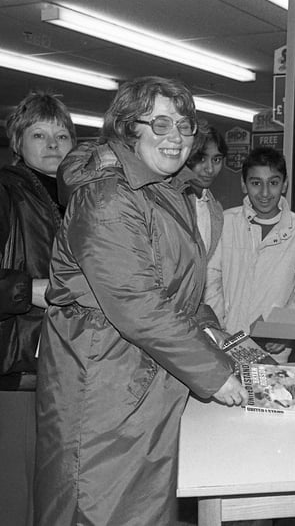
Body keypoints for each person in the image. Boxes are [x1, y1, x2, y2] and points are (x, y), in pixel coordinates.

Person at [34, 76, 248, 526]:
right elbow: (138, 302)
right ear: (130, 128)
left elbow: (178, 292)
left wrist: (222, 340)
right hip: (104, 386)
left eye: (185, 125)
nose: (176, 138)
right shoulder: (109, 197)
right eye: (161, 124)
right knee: (96, 507)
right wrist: (216, 373)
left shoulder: (162, 190)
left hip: (141, 378)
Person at [0, 90, 75, 526]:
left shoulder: (76, 200)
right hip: (18, 370)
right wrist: (26, 289)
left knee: (52, 500)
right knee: (16, 500)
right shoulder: (7, 193)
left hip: (63, 370)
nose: (52, 145)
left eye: (62, 135)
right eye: (39, 134)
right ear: (18, 143)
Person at [205, 146, 295, 343]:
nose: (265, 192)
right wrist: (218, 327)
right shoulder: (225, 223)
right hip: (225, 339)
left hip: (275, 343)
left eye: (273, 183)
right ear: (243, 184)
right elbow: (211, 278)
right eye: (256, 183)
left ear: (284, 185)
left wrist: (282, 330)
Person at [186, 123, 227, 259]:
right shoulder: (169, 202)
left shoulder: (216, 211)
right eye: (201, 158)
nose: (209, 169)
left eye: (216, 159)